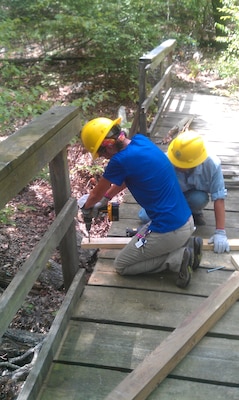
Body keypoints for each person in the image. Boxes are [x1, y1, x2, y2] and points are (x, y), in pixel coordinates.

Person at [78, 117, 203, 288]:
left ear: (108, 145)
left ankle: (178, 259)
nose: (103, 157)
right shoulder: (141, 141)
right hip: (185, 221)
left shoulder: (119, 160)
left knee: (122, 265)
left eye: (101, 153)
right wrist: (107, 198)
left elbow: (94, 195)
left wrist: (86, 208)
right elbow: (126, 178)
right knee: (138, 241)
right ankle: (190, 244)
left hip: (169, 229)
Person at [138, 131, 230, 254]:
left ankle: (192, 213)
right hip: (168, 197)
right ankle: (181, 216)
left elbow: (219, 197)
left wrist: (220, 232)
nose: (177, 166)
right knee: (145, 217)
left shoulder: (212, 164)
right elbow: (153, 192)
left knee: (199, 199)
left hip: (193, 196)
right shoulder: (164, 161)